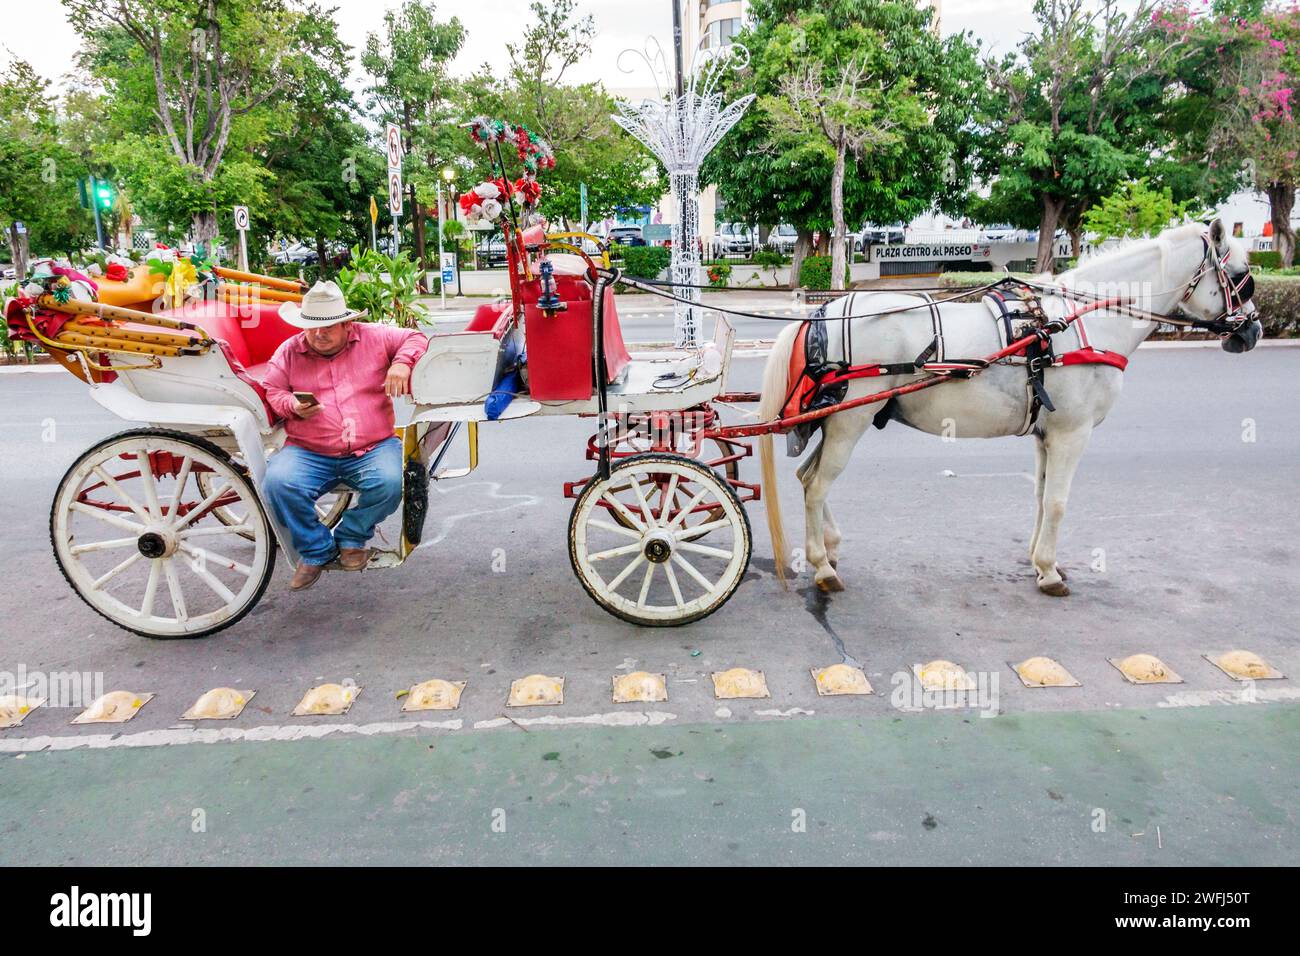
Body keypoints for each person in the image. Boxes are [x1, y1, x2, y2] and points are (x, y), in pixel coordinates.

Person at [261, 280, 429, 590]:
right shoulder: (289, 351)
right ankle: (316, 550)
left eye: (327, 326)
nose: (318, 333)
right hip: (308, 449)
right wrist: (292, 406)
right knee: (277, 483)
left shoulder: (374, 337)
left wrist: (402, 363)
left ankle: (352, 537)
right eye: (311, 326)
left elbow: (416, 337)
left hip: (373, 446)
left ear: (346, 324)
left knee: (390, 484)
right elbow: (273, 389)